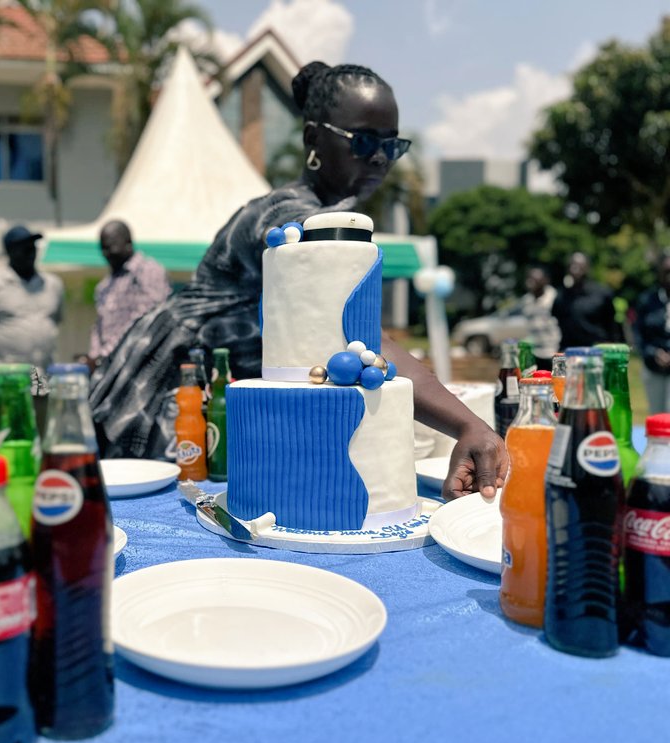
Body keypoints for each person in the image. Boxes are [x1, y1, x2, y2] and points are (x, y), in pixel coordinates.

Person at [91, 62, 507, 500]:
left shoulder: (333, 219)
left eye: (392, 144)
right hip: (175, 380)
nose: (381, 157)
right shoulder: (290, 216)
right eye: (364, 141)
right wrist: (468, 424)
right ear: (313, 139)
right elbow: (357, 335)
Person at [0, 224, 64, 421]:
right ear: (9, 251)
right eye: (23, 246)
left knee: (42, 445)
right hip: (5, 381)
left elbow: (54, 321)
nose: (30, 251)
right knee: (6, 442)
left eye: (33, 246)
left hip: (42, 379)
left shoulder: (53, 285)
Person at [89, 220, 171, 366]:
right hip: (109, 365)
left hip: (140, 362)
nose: (106, 253)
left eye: (111, 247)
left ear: (128, 243)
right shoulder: (105, 285)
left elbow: (149, 317)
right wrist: (94, 356)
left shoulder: (147, 270)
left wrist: (109, 351)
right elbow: (99, 326)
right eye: (103, 248)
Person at [552, 252, 620, 348]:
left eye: (580, 264)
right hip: (567, 351)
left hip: (596, 352)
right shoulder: (561, 296)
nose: (575, 267)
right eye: (572, 264)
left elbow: (611, 325)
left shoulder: (602, 293)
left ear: (588, 267)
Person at [634, 250, 670, 413]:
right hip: (653, 366)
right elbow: (638, 333)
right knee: (657, 414)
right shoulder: (647, 300)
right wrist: (653, 352)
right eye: (666, 272)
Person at [520, 265, 561, 370]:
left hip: (554, 352)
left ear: (545, 280)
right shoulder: (526, 300)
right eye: (530, 278)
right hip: (535, 354)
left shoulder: (555, 298)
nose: (531, 281)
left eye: (535, 278)